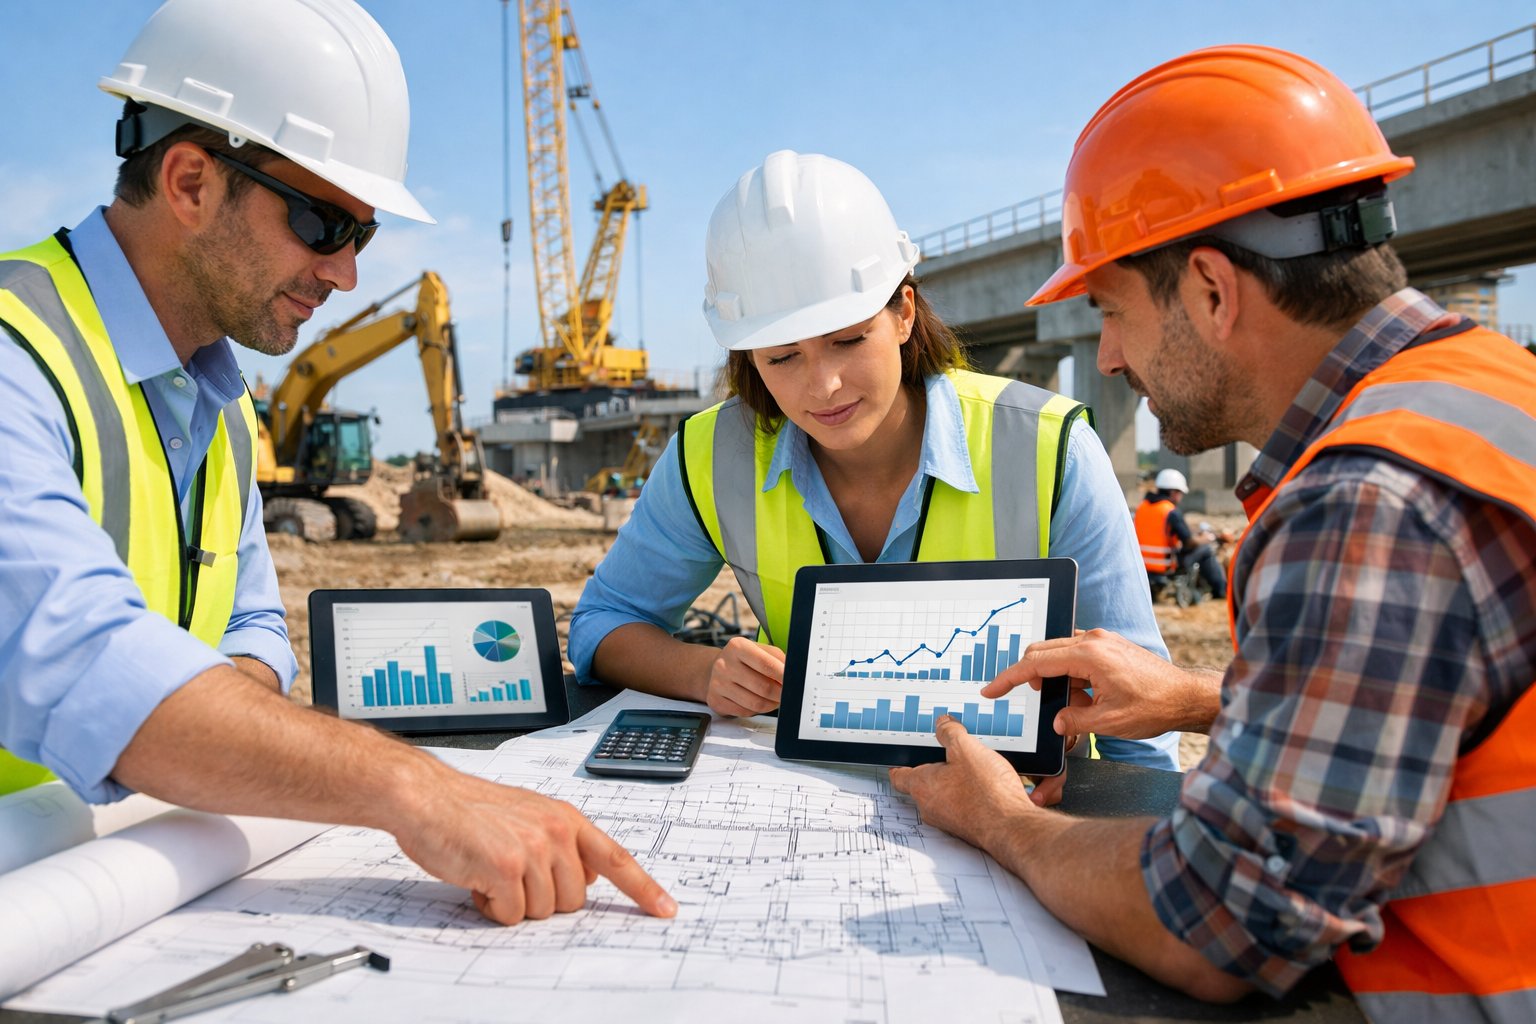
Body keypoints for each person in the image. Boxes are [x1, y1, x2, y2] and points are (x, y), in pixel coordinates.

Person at [890, 44, 1535, 1020]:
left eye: (1109, 310)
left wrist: (1002, 818)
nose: (1104, 357)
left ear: (1212, 291)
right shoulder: (1479, 392)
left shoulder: (1368, 499)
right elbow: (1433, 697)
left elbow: (1221, 922)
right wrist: (1200, 697)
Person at [0, 0, 672, 926]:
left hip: (133, 878)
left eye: (364, 235)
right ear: (190, 181)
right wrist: (414, 788)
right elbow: (79, 660)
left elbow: (251, 623)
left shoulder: (223, 405)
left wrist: (218, 729)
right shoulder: (15, 356)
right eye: (322, 224)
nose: (346, 273)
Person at [569, 150, 1181, 779]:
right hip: (808, 797)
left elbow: (1140, 716)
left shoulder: (1047, 449)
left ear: (904, 313)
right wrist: (701, 673)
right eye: (782, 358)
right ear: (747, 357)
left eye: (847, 339)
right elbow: (601, 625)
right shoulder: (710, 454)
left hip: (1016, 810)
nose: (824, 386)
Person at [1135, 467, 1226, 599]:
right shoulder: (1170, 511)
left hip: (1143, 566)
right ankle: (1221, 591)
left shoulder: (1142, 508)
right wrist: (1206, 538)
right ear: (1173, 492)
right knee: (1205, 550)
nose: (1180, 497)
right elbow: (1189, 542)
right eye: (1180, 493)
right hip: (1165, 565)